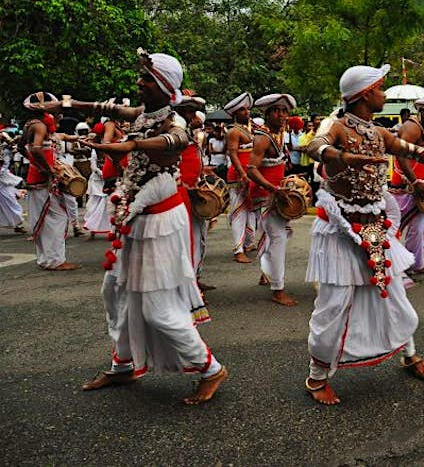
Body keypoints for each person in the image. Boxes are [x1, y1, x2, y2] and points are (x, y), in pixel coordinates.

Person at [58, 50, 227, 404]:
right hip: (136, 216)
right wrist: (71, 104)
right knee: (114, 291)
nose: (140, 82)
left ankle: (209, 368)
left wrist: (130, 144)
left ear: (165, 86)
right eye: (142, 77)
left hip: (161, 223)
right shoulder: (145, 114)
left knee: (157, 308)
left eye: (148, 79)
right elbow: (113, 111)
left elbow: (176, 143)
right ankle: (123, 363)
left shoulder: (176, 122)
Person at [303, 64, 424, 405]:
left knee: (395, 296)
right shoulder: (335, 126)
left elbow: (412, 151)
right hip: (341, 229)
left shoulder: (379, 132)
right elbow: (315, 146)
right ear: (365, 95)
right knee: (333, 305)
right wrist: (342, 156)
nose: (383, 94)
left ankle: (408, 353)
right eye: (380, 89)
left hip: (377, 227)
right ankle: (316, 376)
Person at [246, 93, 299, 306]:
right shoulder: (262, 138)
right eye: (276, 111)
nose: (282, 115)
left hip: (275, 195)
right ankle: (278, 290)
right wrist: (272, 188)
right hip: (267, 197)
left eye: (284, 111)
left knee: (274, 237)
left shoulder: (277, 135)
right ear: (267, 114)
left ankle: (266, 273)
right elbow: (251, 169)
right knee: (277, 239)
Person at [388, 96, 424, 276]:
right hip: (406, 187)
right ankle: (392, 264)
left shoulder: (419, 127)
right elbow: (401, 154)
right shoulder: (412, 128)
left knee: (417, 227)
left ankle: (414, 264)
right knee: (394, 228)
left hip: (417, 186)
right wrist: (414, 181)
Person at [22, 94, 80, 271]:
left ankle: (46, 259)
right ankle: (55, 261)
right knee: (58, 218)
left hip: (38, 178)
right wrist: (48, 169)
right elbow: (37, 148)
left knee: (48, 219)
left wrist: (36, 164)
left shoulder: (31, 124)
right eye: (53, 105)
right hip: (43, 180)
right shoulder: (40, 125)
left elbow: (21, 147)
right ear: (45, 109)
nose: (57, 107)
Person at [174, 95, 211, 287]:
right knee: (186, 241)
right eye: (192, 112)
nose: (195, 116)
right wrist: (188, 189)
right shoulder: (175, 132)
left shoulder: (189, 133)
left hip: (193, 192)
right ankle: (188, 285)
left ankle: (195, 278)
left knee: (198, 240)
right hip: (180, 196)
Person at [224, 92, 256, 264]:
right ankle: (238, 250)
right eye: (242, 110)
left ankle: (248, 243)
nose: (247, 112)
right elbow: (233, 155)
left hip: (250, 175)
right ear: (235, 113)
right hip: (238, 177)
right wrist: (243, 175)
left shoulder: (249, 130)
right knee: (238, 213)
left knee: (251, 211)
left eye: (247, 109)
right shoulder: (234, 132)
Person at [83, 122, 113, 237]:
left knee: (107, 206)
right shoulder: (95, 149)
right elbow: (93, 166)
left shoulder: (110, 147)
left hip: (107, 180)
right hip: (96, 180)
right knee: (94, 206)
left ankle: (110, 229)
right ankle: (92, 229)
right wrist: (102, 173)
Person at [0, 130, 25, 233]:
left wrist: (11, 142)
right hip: (3, 177)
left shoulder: (6, 145)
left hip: (3, 178)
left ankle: (17, 224)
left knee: (11, 200)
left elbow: (12, 143)